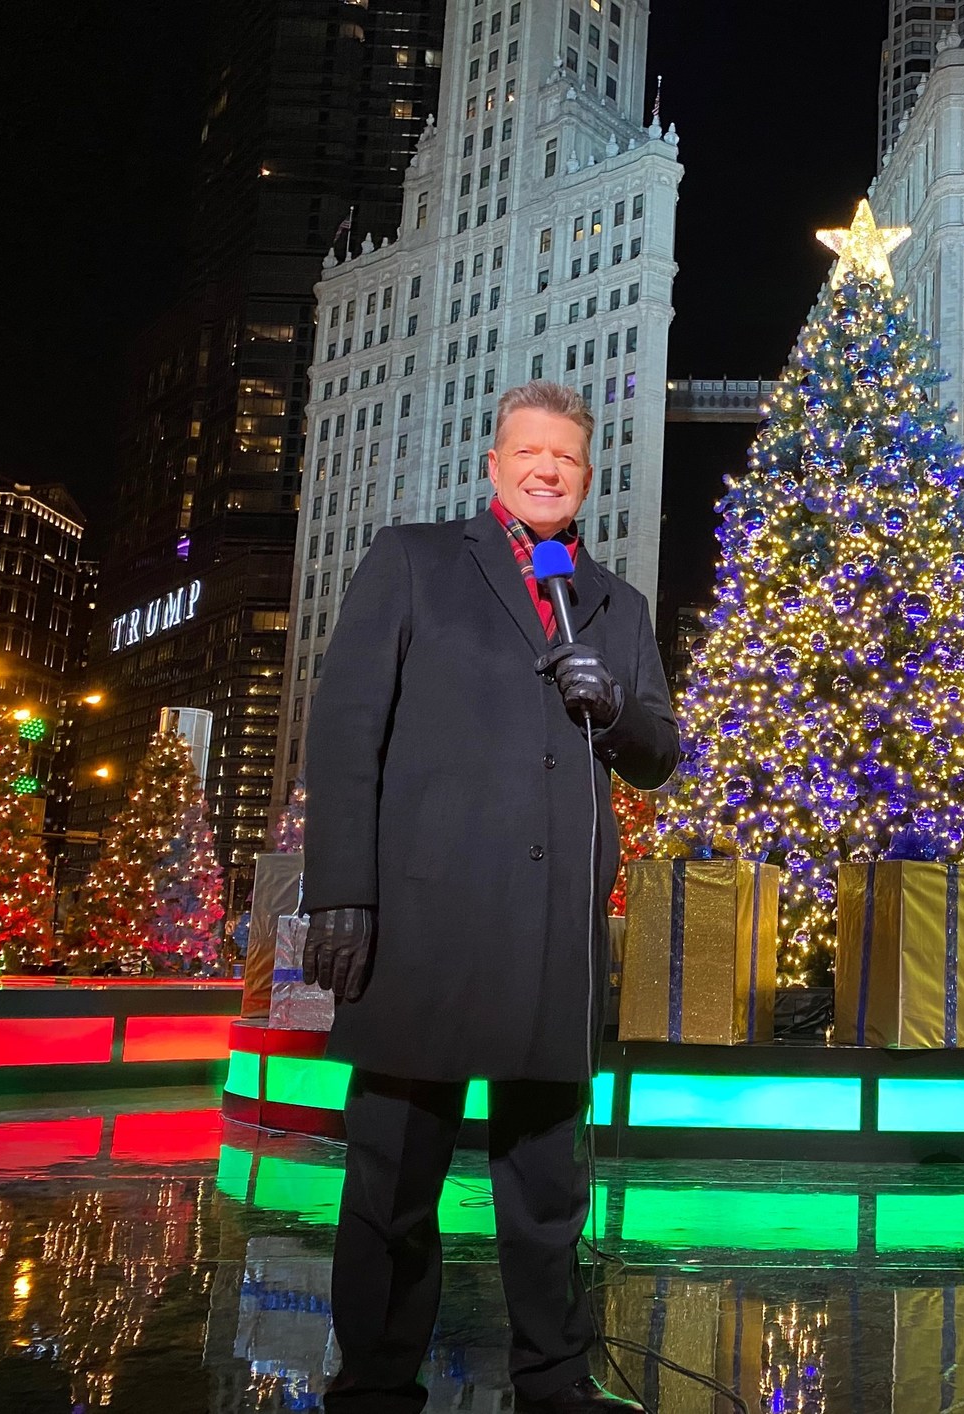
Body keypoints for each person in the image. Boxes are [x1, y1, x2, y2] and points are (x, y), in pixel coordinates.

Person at [298, 380, 679, 1414]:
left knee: (548, 1182)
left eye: (567, 457)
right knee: (391, 1176)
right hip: (423, 920)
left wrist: (616, 709)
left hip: (554, 930)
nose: (548, 469)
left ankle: (553, 1378)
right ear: (494, 465)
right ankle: (376, 1380)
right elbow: (346, 729)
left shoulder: (614, 603)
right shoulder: (413, 560)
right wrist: (341, 891)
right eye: (529, 453)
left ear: (586, 477)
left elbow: (657, 753)